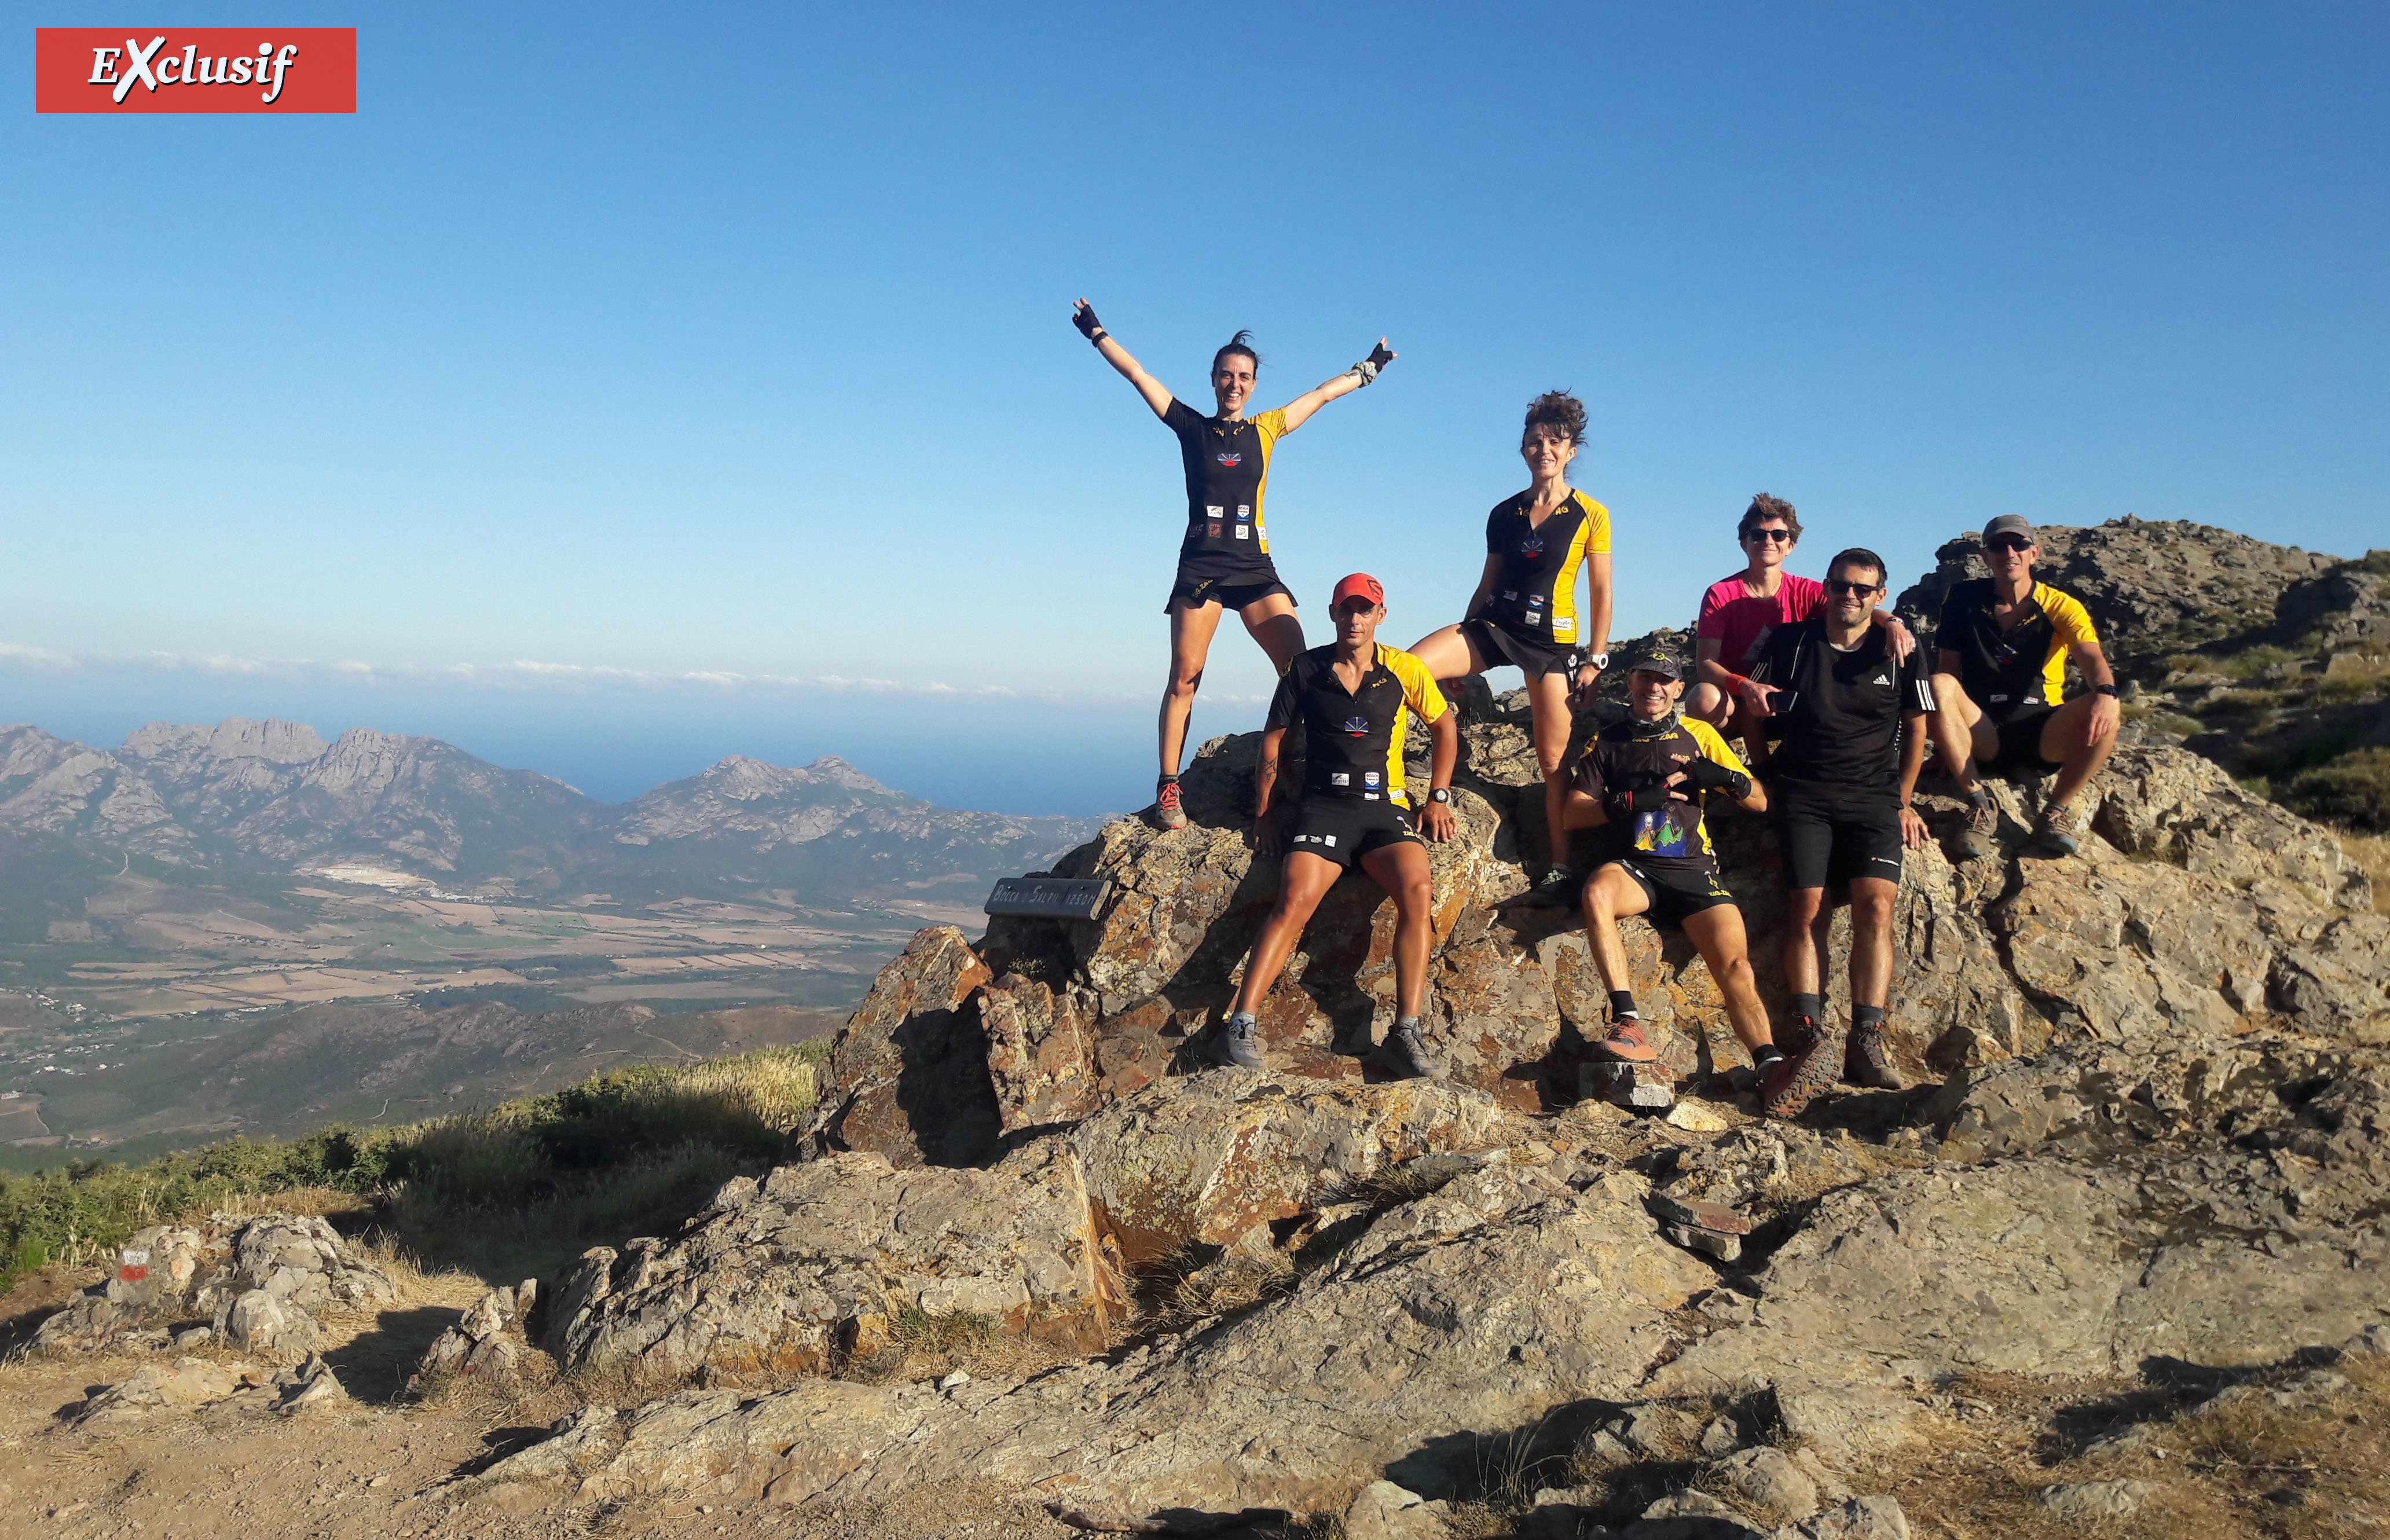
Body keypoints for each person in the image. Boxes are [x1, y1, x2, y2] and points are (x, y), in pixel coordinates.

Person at [1072, 299, 1397, 831]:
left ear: (1253, 384)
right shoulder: (1190, 427)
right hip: (1201, 568)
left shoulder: (1266, 430)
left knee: (1302, 671)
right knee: (1185, 678)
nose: (1235, 384)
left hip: (1255, 569)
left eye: (1244, 376)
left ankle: (1309, 767)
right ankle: (1168, 787)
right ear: (1214, 379)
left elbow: (1320, 395)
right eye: (1226, 374)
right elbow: (1138, 374)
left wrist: (1368, 370)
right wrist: (1096, 331)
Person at [1214, 573, 1459, 1079]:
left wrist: (1437, 795)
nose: (1355, 619)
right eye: (1346, 610)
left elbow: (1444, 726)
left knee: (1418, 891)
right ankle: (1240, 1024)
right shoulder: (1305, 669)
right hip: (1322, 807)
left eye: (1365, 610)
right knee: (1294, 900)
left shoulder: (1404, 670)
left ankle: (1405, 1032)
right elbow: (1274, 740)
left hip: (1383, 807)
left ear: (1380, 616)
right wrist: (1266, 813)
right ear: (1332, 614)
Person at [1560, 653, 1802, 1109]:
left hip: (1694, 870)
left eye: (1664, 681)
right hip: (1638, 868)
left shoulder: (1701, 734)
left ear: (1677, 689)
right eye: (1645, 677)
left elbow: (1761, 802)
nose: (1653, 687)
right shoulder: (1607, 741)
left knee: (1737, 968)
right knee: (1596, 892)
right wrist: (1627, 802)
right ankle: (1627, 1021)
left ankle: (1769, 1066)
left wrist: (1727, 778)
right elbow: (1573, 813)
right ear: (1631, 682)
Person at [1744, 548, 1938, 1115]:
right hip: (1804, 794)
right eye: (1841, 585)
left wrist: (1904, 800)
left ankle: (1866, 1036)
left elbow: (1918, 723)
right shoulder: (1791, 642)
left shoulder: (1900, 648)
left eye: (1863, 589)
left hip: (1874, 800)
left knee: (1876, 907)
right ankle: (1810, 1032)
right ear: (1827, 588)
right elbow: (1751, 705)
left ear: (1880, 595)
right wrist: (1762, 771)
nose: (1850, 596)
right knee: (1808, 909)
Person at [1406, 391, 1611, 905]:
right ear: (1523, 450)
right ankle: (1416, 791)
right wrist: (1463, 653)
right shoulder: (1504, 512)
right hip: (1495, 625)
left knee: (1551, 758)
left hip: (1551, 644)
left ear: (1570, 451)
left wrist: (1596, 658)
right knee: (1406, 668)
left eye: (1555, 442)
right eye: (1535, 441)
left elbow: (1602, 591)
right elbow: (1488, 581)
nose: (1544, 449)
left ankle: (1561, 866)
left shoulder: (1591, 514)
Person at [1926, 515, 2120, 860]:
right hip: (1982, 732)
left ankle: (2056, 811)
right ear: (1985, 557)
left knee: (2106, 705)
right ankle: (1981, 804)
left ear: (2035, 553)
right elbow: (1948, 671)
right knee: (1938, 684)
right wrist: (1946, 744)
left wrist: (2106, 693)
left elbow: (2091, 658)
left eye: (2020, 545)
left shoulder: (2061, 606)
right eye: (1999, 546)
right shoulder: (1962, 600)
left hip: (2041, 734)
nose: (2010, 552)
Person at [1687, 493, 1914, 752]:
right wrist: (1746, 686)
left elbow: (1855, 609)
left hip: (1793, 700)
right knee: (1704, 698)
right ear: (1744, 543)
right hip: (1738, 700)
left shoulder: (1808, 590)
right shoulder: (1722, 594)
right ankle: (1714, 766)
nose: (1768, 541)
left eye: (1779, 535)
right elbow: (1706, 665)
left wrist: (1894, 622)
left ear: (1791, 545)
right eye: (1758, 535)